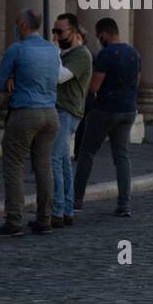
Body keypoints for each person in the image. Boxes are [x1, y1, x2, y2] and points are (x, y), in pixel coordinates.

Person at [0, 9, 60, 236]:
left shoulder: (17, 49)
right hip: (50, 113)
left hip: (25, 112)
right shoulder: (52, 49)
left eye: (15, 23)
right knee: (43, 166)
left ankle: (14, 220)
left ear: (22, 25)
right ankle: (45, 219)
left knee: (14, 165)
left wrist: (12, 79)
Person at [73, 17, 140, 219]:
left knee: (86, 153)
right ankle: (124, 204)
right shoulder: (134, 53)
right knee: (121, 156)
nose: (98, 39)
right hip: (128, 109)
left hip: (106, 110)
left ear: (104, 33)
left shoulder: (106, 55)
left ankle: (76, 200)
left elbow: (95, 87)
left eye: (98, 35)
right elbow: (137, 82)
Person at [51, 13, 92, 228]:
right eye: (54, 31)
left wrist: (54, 52)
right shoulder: (67, 53)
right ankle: (67, 210)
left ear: (73, 31)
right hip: (62, 110)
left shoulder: (81, 54)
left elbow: (59, 77)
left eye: (60, 31)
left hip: (68, 111)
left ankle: (57, 211)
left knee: (54, 160)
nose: (56, 36)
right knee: (64, 162)